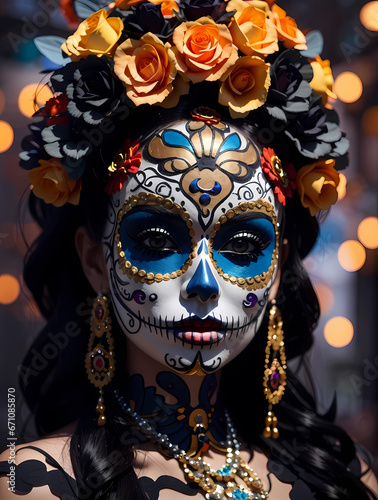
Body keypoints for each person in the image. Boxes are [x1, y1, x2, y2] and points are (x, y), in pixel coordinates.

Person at [1, 0, 377, 498]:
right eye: (157, 241)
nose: (202, 284)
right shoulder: (34, 484)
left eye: (243, 246)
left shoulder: (341, 479)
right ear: (95, 261)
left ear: (280, 264)